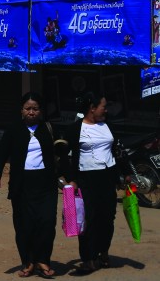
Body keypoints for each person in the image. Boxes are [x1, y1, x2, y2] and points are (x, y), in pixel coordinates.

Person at [0, 92, 59, 279]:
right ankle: (28, 262)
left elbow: (60, 153)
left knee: (46, 222)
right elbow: (2, 153)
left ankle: (43, 260)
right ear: (21, 110)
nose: (31, 112)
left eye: (35, 109)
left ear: (41, 111)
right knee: (24, 225)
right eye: (27, 108)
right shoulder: (13, 129)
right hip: (22, 184)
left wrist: (69, 178)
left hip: (45, 184)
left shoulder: (48, 128)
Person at [63, 91, 122, 274]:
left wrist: (125, 174)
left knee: (107, 218)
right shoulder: (75, 129)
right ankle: (88, 257)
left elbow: (118, 151)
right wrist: (71, 179)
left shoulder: (108, 126)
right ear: (92, 108)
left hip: (107, 177)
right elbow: (64, 156)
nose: (106, 110)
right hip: (86, 180)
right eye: (103, 106)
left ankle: (103, 251)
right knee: (88, 220)